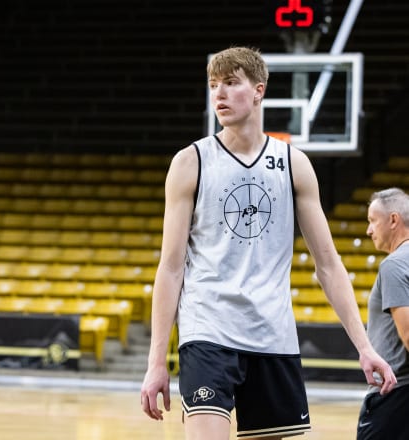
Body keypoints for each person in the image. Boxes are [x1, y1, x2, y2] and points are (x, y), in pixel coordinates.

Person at [139, 46, 397, 440]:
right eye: (213, 85)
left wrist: (364, 346)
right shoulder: (191, 162)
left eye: (230, 83)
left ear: (258, 91)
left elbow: (328, 264)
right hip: (208, 332)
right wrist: (157, 360)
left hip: (273, 336)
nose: (219, 94)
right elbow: (171, 267)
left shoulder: (293, 164)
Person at [357, 187, 409, 439]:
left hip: (395, 396)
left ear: (393, 220)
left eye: (372, 221)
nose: (368, 230)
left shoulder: (394, 265)